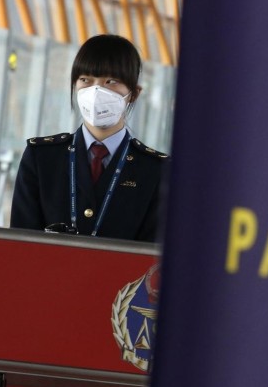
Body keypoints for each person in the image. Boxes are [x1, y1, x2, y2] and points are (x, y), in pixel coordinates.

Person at [10, 34, 167, 242]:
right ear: (75, 85)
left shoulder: (156, 170)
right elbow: (20, 242)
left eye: (111, 81)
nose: (96, 91)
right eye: (86, 80)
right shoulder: (42, 157)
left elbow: (153, 253)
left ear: (134, 94)